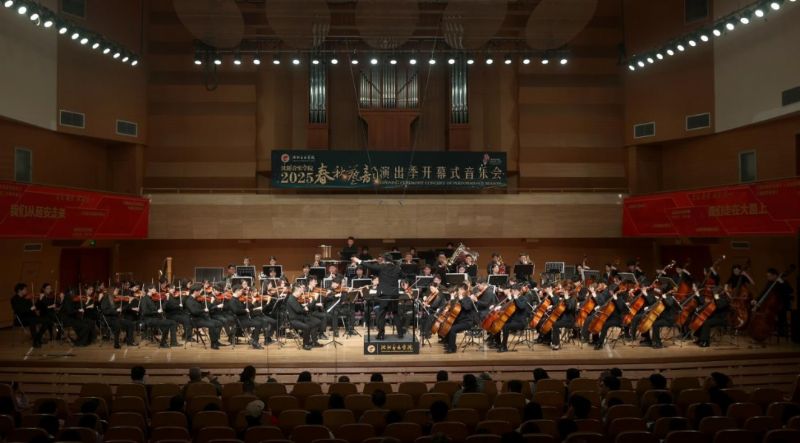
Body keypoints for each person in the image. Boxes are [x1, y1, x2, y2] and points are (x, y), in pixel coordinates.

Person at [352, 253, 404, 340]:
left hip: (384, 294)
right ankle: (400, 334)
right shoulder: (397, 268)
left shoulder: (382, 267)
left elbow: (370, 266)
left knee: (381, 314)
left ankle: (381, 334)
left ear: (384, 260)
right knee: (395, 313)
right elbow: (403, 276)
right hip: (394, 294)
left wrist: (359, 261)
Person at [10, 283, 50, 348]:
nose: (26, 291)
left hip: (30, 317)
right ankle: (35, 342)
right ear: (19, 290)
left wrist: (40, 300)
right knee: (32, 320)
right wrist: (29, 307)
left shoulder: (27, 298)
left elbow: (34, 307)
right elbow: (20, 310)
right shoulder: (14, 299)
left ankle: (38, 338)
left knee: (47, 320)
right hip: (21, 319)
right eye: (25, 289)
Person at [184, 285, 224, 349]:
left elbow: (205, 308)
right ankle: (213, 344)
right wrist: (203, 310)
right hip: (194, 320)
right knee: (213, 325)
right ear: (195, 291)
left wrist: (210, 303)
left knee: (219, 323)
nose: (200, 293)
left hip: (201, 318)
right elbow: (194, 312)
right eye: (199, 291)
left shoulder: (196, 299)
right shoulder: (189, 301)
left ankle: (216, 341)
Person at [441, 283, 475, 353]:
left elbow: (467, 307)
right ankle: (450, 345)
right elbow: (453, 309)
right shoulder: (458, 299)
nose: (459, 291)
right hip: (459, 321)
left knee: (452, 329)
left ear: (464, 290)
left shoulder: (468, 299)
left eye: (460, 290)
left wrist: (461, 299)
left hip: (467, 322)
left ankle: (452, 348)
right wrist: (452, 299)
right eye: (459, 290)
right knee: (447, 326)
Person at [287, 285, 323, 350]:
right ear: (296, 291)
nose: (301, 292)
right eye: (300, 291)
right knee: (306, 327)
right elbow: (298, 310)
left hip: (300, 317)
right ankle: (305, 344)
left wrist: (304, 306)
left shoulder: (294, 298)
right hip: (294, 320)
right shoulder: (291, 299)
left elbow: (299, 308)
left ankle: (314, 342)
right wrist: (305, 308)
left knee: (316, 323)